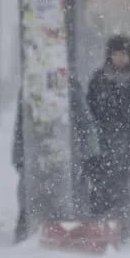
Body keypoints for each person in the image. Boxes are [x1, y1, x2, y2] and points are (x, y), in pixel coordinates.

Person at [12, 79, 100, 243]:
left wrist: (89, 153)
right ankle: (31, 235)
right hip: (37, 152)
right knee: (32, 195)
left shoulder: (71, 87)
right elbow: (21, 124)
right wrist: (19, 156)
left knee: (71, 195)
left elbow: (85, 121)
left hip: (68, 153)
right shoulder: (30, 86)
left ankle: (69, 234)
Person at [86, 34, 130, 241]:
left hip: (126, 145)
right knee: (100, 187)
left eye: (123, 54)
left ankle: (121, 228)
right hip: (102, 145)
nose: (119, 58)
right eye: (115, 54)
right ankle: (100, 227)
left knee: (123, 187)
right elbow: (91, 112)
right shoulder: (98, 79)